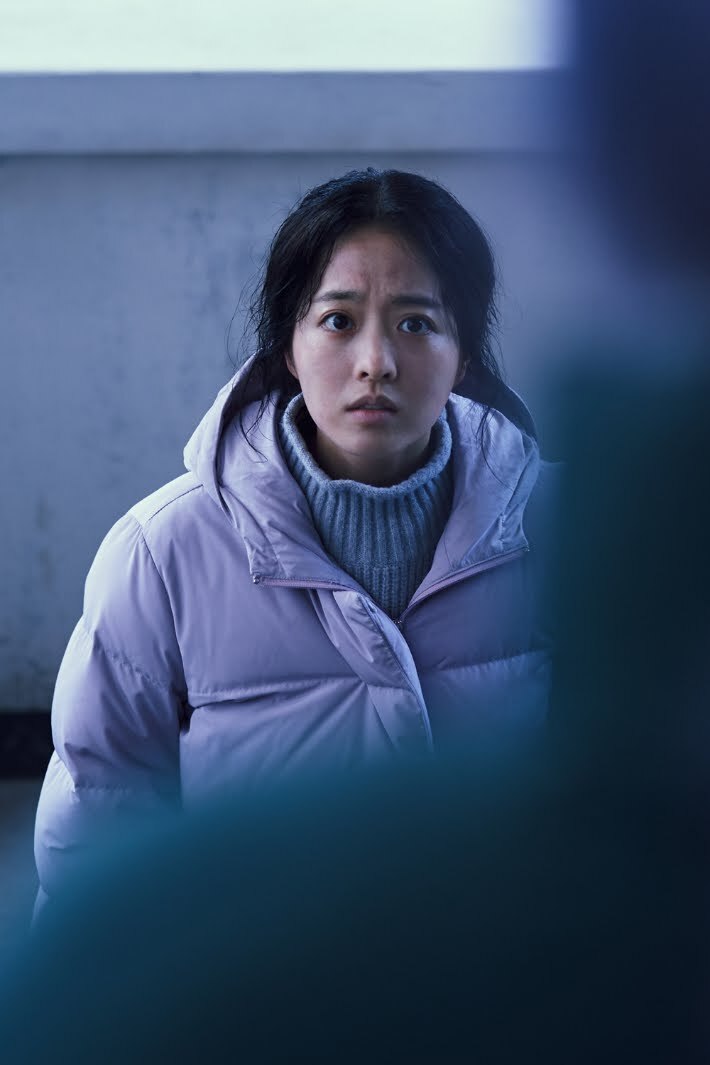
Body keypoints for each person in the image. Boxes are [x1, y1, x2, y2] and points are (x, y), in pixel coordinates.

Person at [33, 167, 559, 913]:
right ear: (287, 346)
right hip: (247, 979)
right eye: (338, 321)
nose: (375, 362)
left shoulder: (563, 529)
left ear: (464, 355)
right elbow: (98, 837)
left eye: (416, 324)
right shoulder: (161, 554)